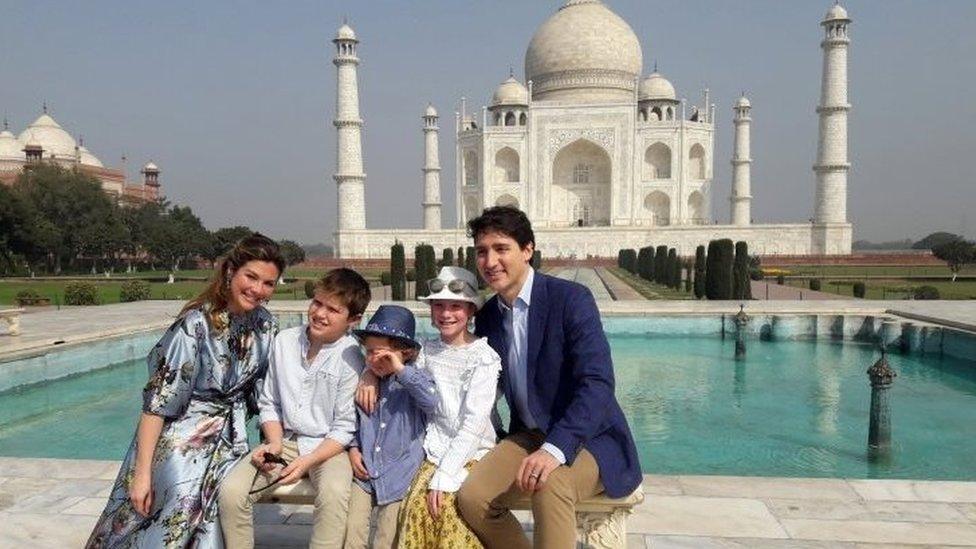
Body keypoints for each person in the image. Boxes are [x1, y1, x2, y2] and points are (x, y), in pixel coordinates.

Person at [457, 206, 642, 548]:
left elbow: (597, 382)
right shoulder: (489, 317)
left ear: (528, 250)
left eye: (501, 248)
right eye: (482, 252)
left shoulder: (569, 300)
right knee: (472, 497)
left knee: (551, 483)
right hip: (530, 434)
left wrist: (556, 448)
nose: (490, 261)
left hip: (590, 438)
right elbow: (466, 374)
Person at [86, 234, 285, 548]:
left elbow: (265, 393)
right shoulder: (196, 325)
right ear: (231, 271)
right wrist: (142, 475)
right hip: (182, 441)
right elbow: (157, 405)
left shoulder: (266, 325)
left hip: (230, 443)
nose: (258, 289)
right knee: (174, 515)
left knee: (218, 514)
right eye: (252, 277)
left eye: (268, 283)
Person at [218, 268, 372, 549]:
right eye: (317, 303)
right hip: (284, 441)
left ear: (353, 320)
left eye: (333, 310)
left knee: (335, 494)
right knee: (231, 492)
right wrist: (274, 443)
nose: (320, 314)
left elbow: (344, 427)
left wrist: (308, 461)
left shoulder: (352, 357)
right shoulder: (284, 341)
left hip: (328, 449)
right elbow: (269, 402)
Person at [397, 267, 501, 549]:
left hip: (471, 452)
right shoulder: (425, 352)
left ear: (470, 311)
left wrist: (445, 475)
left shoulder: (483, 358)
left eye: (455, 306)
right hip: (433, 449)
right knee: (417, 509)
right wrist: (371, 375)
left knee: (452, 510)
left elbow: (473, 423)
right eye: (439, 306)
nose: (446, 314)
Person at [344, 305, 438, 549]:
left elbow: (431, 401)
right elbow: (352, 422)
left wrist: (399, 369)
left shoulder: (414, 380)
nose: (374, 359)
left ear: (404, 354)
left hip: (399, 476)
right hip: (365, 475)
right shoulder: (366, 383)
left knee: (386, 540)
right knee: (352, 532)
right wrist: (353, 448)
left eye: (382, 354)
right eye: (369, 352)